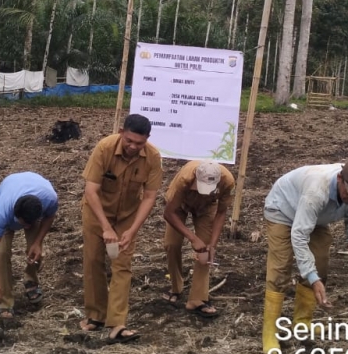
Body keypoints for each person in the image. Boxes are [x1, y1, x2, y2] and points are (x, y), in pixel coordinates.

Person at [260, 158, 348, 354]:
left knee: (320, 263)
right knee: (280, 270)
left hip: (314, 217)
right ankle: (269, 332)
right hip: (283, 209)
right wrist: (312, 278)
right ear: (340, 179)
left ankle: (302, 323)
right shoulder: (317, 190)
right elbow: (299, 235)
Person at [79, 114, 163, 343]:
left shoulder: (153, 157)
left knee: (122, 265)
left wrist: (133, 229)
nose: (133, 147)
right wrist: (105, 227)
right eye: (129, 141)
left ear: (147, 139)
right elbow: (91, 190)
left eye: (139, 143)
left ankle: (117, 324)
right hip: (97, 213)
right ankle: (96, 315)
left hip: (127, 215)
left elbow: (149, 196)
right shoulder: (104, 148)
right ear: (121, 131)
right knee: (94, 261)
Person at [162, 160, 235, 318]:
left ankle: (197, 298)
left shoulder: (227, 182)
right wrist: (193, 238)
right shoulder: (184, 179)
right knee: (171, 244)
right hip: (179, 206)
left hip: (207, 207)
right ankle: (176, 286)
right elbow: (169, 213)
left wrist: (212, 245)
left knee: (205, 253)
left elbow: (221, 213)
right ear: (195, 178)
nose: (203, 192)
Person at [0, 172, 58, 318]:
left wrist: (38, 242)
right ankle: (5, 301)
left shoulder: (49, 199)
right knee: (2, 253)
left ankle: (31, 281)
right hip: (10, 192)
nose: (26, 227)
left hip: (32, 192)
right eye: (23, 224)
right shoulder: (2, 212)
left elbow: (50, 216)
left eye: (30, 224)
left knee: (35, 250)